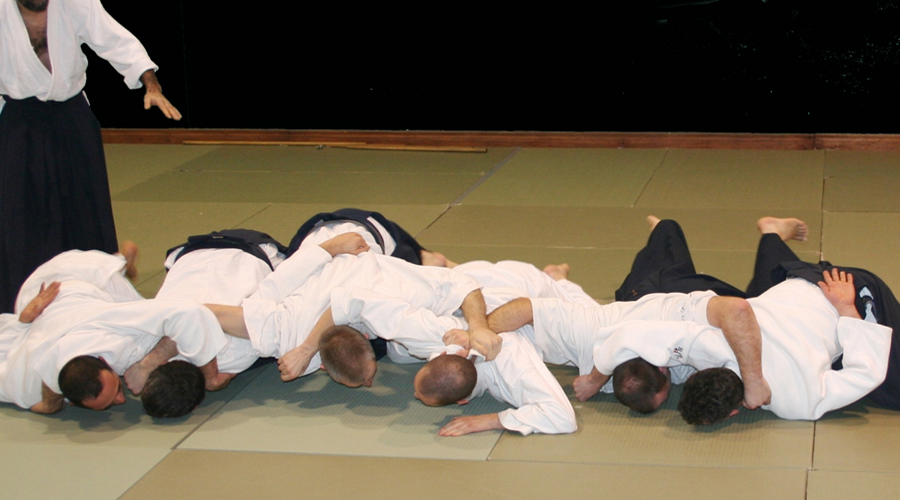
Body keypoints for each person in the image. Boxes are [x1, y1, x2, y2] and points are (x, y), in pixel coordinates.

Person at [590, 217, 892, 423]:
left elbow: (867, 373)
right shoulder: (707, 346)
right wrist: (595, 376)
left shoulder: (799, 403)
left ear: (734, 412)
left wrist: (847, 308)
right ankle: (770, 235)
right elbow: (635, 334)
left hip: (847, 291)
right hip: (798, 282)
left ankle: (772, 237)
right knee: (754, 300)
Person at [0, 0, 181, 313]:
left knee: (86, 208)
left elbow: (115, 40)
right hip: (20, 118)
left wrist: (151, 84)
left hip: (71, 114)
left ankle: (101, 286)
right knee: (20, 214)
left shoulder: (73, 2)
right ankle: (22, 300)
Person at [485, 216, 772, 411]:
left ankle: (769, 234)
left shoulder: (593, 338)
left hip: (681, 296)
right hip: (634, 300)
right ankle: (660, 232)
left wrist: (479, 332)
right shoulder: (590, 338)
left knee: (761, 302)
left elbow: (526, 308)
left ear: (662, 366)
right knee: (661, 256)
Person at [0, 247, 232, 414]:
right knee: (26, 315)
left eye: (117, 389)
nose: (122, 400)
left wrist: (209, 378)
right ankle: (117, 263)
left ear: (103, 359)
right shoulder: (24, 385)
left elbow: (189, 314)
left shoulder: (121, 339)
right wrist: (48, 406)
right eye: (110, 402)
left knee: (124, 293)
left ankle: (119, 262)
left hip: (73, 280)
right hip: (47, 307)